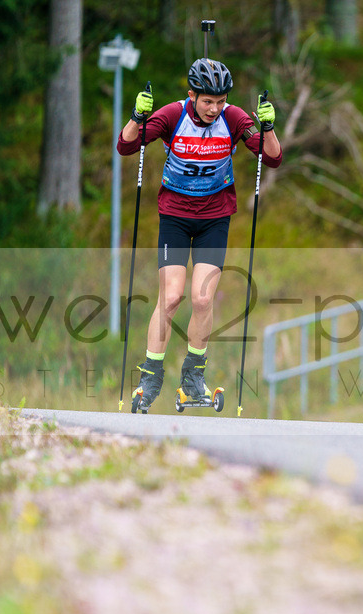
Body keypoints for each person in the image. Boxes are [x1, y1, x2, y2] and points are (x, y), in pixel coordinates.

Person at [118, 58, 283, 411]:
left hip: (214, 217)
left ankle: (194, 376)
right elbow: (126, 146)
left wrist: (267, 127)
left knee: (203, 299)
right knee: (173, 296)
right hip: (174, 216)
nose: (214, 108)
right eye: (208, 101)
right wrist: (136, 115)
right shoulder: (171, 115)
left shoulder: (235, 118)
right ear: (192, 95)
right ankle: (150, 376)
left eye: (220, 101)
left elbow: (272, 158)